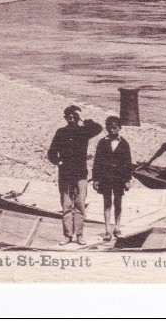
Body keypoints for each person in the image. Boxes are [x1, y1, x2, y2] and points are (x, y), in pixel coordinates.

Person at [46, 105, 102, 245]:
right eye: (69, 117)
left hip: (80, 173)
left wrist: (83, 119)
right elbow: (51, 152)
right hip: (65, 174)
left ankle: (80, 235)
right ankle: (67, 235)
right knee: (66, 205)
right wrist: (58, 162)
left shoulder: (84, 131)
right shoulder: (60, 132)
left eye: (74, 117)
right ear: (65, 118)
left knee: (80, 204)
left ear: (77, 118)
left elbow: (98, 128)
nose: (72, 119)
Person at [91, 116, 133, 242]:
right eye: (110, 126)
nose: (112, 129)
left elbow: (128, 162)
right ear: (107, 128)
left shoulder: (124, 143)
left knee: (118, 202)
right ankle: (107, 230)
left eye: (115, 126)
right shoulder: (102, 142)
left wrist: (127, 179)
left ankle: (117, 227)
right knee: (107, 202)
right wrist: (96, 179)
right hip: (105, 176)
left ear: (120, 128)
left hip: (119, 177)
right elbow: (97, 161)